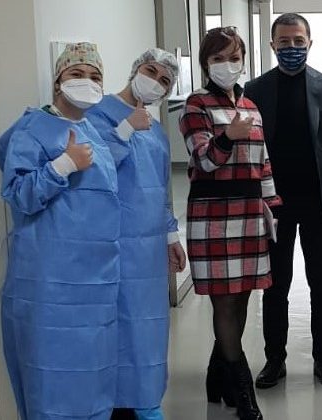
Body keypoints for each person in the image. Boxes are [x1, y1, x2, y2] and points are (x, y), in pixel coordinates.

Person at [0, 42, 121, 419]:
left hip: (95, 278)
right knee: (50, 376)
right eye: (76, 74)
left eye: (95, 76)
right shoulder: (33, 128)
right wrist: (63, 165)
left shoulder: (91, 130)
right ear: (57, 81)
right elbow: (19, 194)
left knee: (93, 373)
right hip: (49, 281)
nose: (87, 81)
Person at [244, 13, 322, 389]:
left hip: (318, 202)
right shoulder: (255, 89)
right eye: (284, 41)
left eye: (298, 41)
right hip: (273, 204)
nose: (291, 47)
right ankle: (275, 360)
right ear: (272, 45)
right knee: (275, 286)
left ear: (309, 43)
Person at [179, 27, 281, 420]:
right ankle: (243, 390)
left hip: (250, 212)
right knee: (223, 300)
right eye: (218, 58)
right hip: (213, 216)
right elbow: (203, 160)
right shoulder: (196, 104)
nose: (227, 65)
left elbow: (263, 161)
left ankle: (216, 375)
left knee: (242, 298)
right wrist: (228, 136)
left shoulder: (251, 105)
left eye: (234, 57)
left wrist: (272, 204)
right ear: (206, 63)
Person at [85, 48, 185, 420]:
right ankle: (111, 403)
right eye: (151, 71)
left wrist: (171, 236)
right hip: (111, 243)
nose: (155, 81)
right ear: (135, 69)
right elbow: (92, 172)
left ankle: (145, 402)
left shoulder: (157, 133)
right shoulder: (96, 115)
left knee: (147, 329)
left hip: (148, 250)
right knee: (113, 326)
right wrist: (125, 130)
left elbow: (160, 191)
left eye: (164, 81)